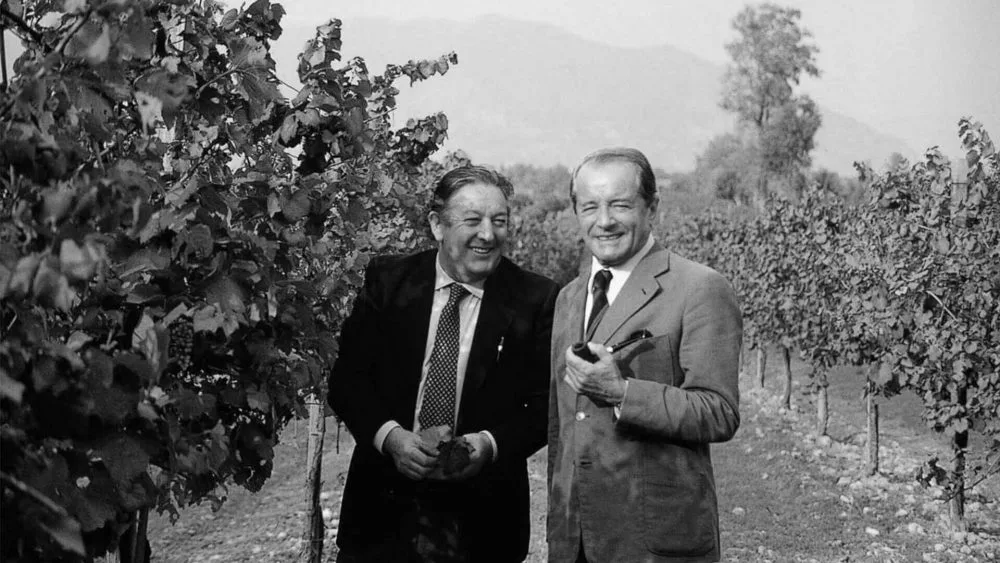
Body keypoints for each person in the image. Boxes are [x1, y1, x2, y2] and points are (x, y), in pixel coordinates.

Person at [328, 165, 559, 563]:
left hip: (484, 523)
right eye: (473, 220)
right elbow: (348, 379)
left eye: (499, 221)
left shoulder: (535, 299)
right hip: (382, 513)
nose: (488, 234)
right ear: (437, 225)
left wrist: (488, 444)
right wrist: (390, 438)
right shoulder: (390, 282)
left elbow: (546, 405)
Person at [547, 148, 742, 562]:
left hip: (656, 541)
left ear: (652, 208)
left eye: (620, 205)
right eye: (590, 207)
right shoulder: (568, 297)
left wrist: (623, 393)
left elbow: (719, 411)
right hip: (574, 541)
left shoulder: (699, 288)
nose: (604, 221)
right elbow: (562, 426)